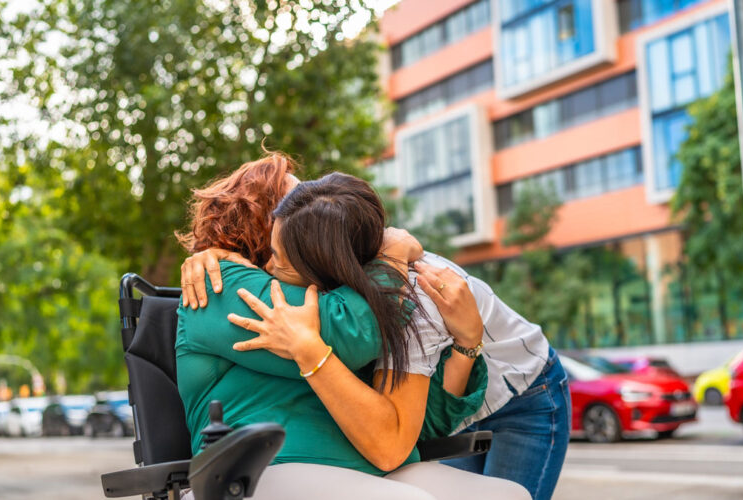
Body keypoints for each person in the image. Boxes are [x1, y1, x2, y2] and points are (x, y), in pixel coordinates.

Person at [181, 153, 568, 500]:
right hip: (276, 464)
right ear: (264, 224)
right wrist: (394, 256)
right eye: (292, 200)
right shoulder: (218, 282)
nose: (310, 202)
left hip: (516, 387)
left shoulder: (359, 290)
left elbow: (414, 423)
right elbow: (348, 332)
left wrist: (467, 346)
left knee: (509, 494)